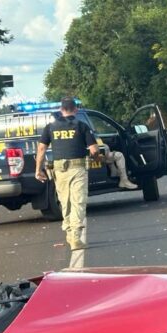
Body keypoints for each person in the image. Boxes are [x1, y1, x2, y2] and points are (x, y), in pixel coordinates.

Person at [34, 97, 100, 251]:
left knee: (65, 201)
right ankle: (75, 237)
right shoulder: (81, 126)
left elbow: (41, 149)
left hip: (59, 170)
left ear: (60, 110)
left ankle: (69, 233)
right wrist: (97, 157)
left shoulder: (50, 127)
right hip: (77, 168)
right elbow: (94, 150)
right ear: (75, 110)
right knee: (79, 201)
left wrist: (38, 170)